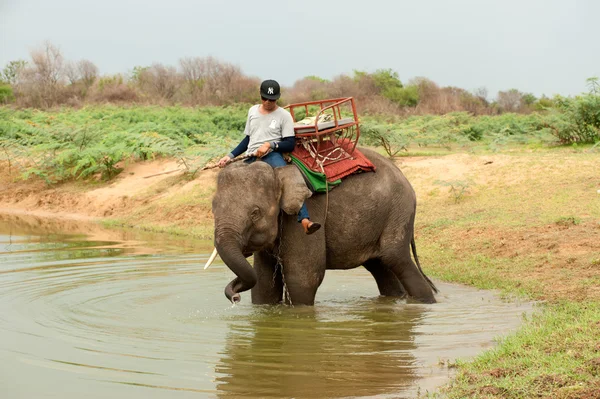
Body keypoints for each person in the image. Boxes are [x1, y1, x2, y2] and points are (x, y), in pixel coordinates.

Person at [218, 79, 321, 235]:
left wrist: (270, 145)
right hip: (251, 155)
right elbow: (247, 139)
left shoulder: (284, 116)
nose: (268, 102)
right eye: (265, 98)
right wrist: (230, 155)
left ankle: (305, 220)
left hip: (271, 155)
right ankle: (236, 230)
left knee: (288, 179)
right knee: (232, 182)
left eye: (272, 99)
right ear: (260, 96)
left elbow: (290, 143)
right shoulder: (252, 111)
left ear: (277, 98)